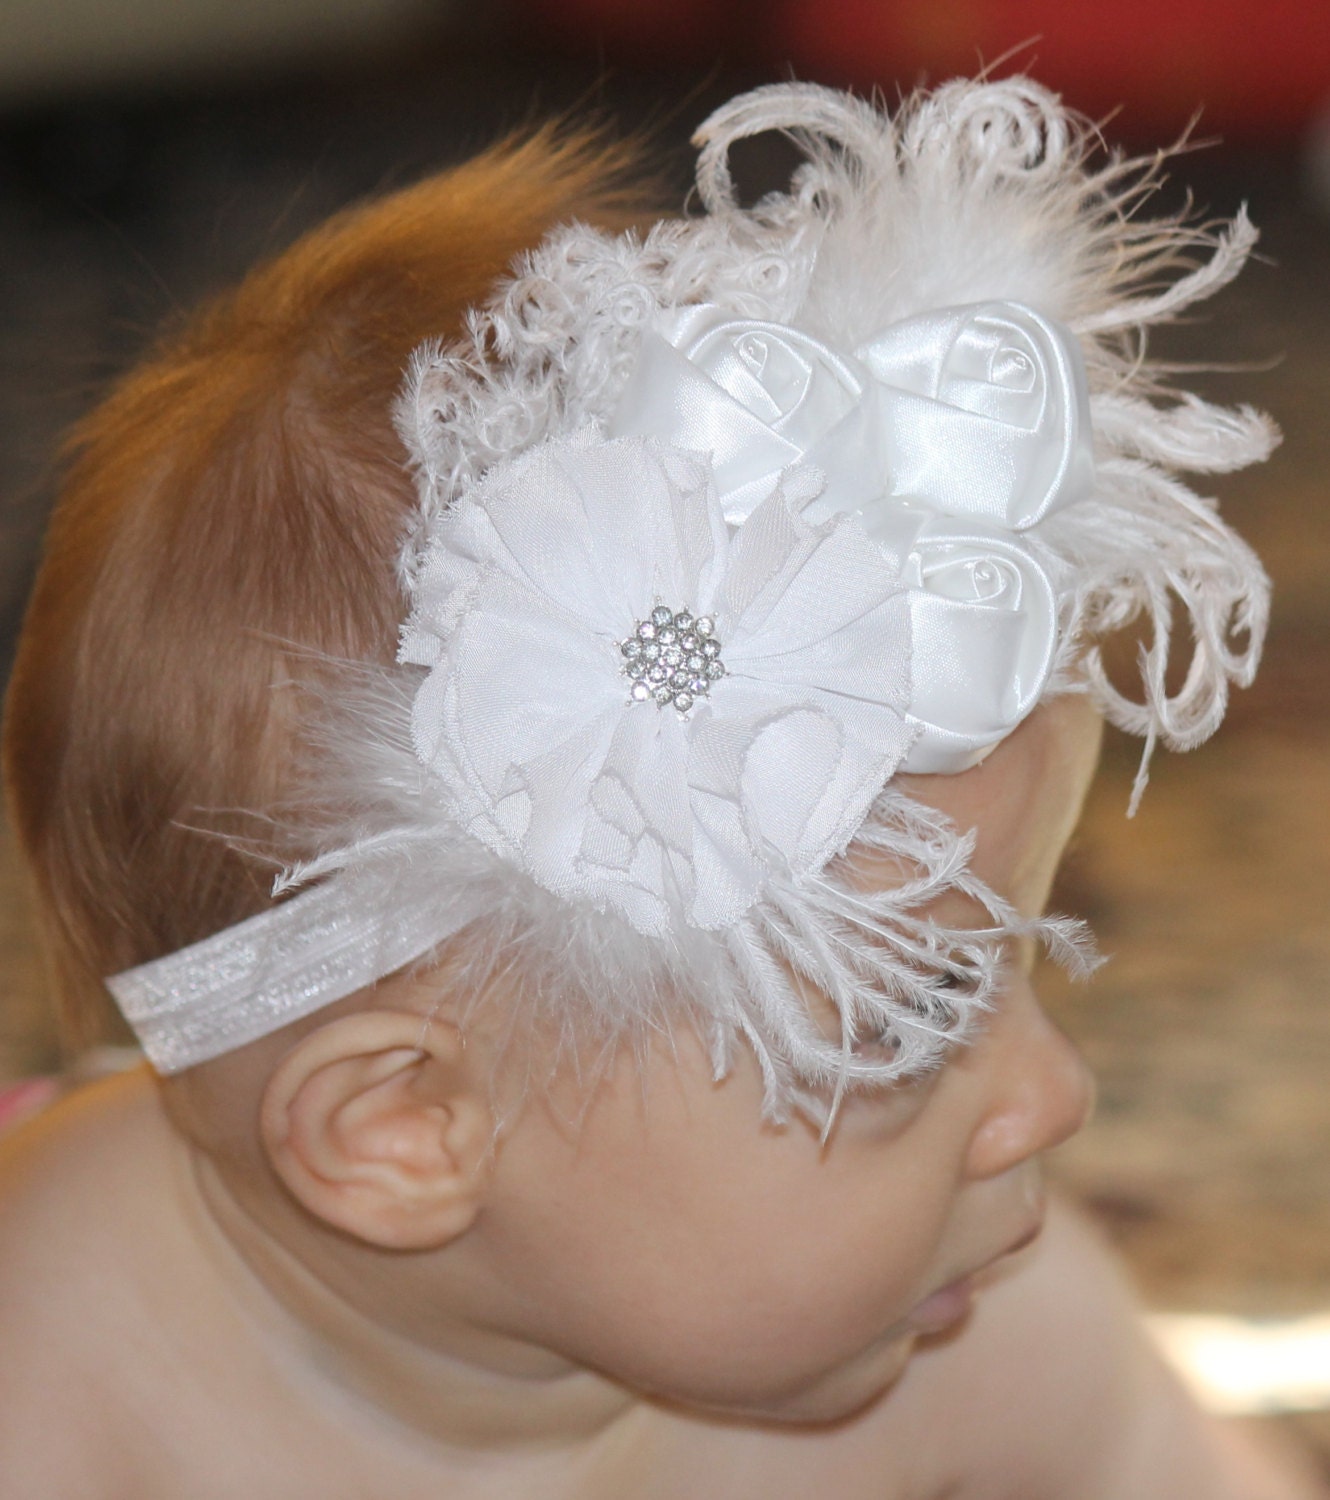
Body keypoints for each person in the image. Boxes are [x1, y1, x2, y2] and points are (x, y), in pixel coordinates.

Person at [0, 77, 1321, 1499]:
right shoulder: (54, 1383)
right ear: (403, 1127)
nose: (1055, 1101)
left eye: (1013, 965)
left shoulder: (982, 1326)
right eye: (912, 1027)